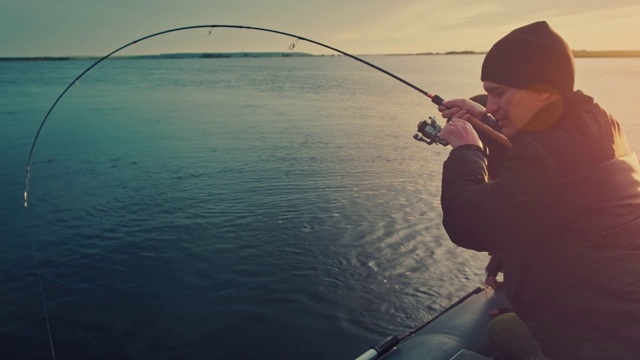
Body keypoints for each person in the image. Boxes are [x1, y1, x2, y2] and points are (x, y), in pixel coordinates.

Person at [436, 21, 640, 359]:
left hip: (598, 338)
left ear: (544, 91)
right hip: (614, 317)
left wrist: (466, 150)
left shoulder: (550, 154)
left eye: (499, 92)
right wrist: (485, 122)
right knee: (503, 328)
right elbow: (538, 186)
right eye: (487, 93)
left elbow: (469, 223)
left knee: (499, 332)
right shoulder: (595, 121)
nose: (491, 103)